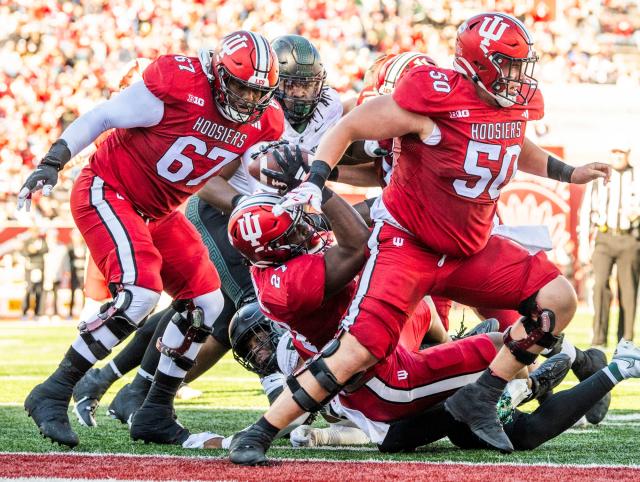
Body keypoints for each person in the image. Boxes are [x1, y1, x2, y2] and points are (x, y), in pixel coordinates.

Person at [229, 12, 611, 463]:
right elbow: (350, 126)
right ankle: (260, 431)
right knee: (358, 349)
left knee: (558, 300)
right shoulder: (433, 97)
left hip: (471, 246)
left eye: (520, 65)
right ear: (479, 64)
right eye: (509, 65)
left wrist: (569, 172)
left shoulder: (505, 105)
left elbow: (512, 143)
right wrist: (315, 182)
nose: (518, 76)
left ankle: (482, 396)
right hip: (409, 246)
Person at [18, 30, 283, 448]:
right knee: (141, 293)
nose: (248, 102)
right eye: (239, 88)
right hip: (110, 189)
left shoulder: (265, 121)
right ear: (217, 73)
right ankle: (54, 389)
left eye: (257, 93)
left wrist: (284, 184)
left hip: (159, 212)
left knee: (208, 303)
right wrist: (53, 161)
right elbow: (103, 116)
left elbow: (254, 174)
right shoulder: (178, 82)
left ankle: (155, 410)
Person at [582, 146, 640, 346]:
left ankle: (626, 339)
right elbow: (585, 212)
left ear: (627, 154)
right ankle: (599, 337)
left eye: (621, 153)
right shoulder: (599, 178)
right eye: (614, 153)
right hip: (604, 237)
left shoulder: (636, 176)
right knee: (600, 286)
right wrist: (583, 244)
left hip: (629, 237)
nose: (617, 156)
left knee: (628, 289)